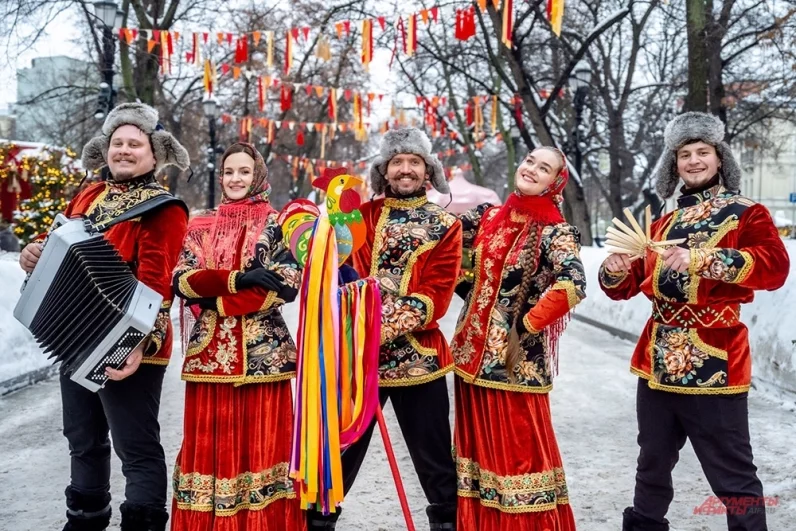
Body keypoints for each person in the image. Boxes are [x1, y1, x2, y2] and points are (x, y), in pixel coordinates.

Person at [599, 112, 789, 531]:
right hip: (657, 364)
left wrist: (704, 260)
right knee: (651, 463)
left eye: (703, 152)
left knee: (733, 474)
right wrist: (614, 269)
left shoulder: (747, 214)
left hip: (714, 361)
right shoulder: (663, 223)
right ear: (674, 164)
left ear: (720, 159)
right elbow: (629, 282)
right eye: (685, 154)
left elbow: (775, 268)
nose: (694, 161)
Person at [19, 103, 190, 531]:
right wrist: (33, 251)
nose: (125, 151)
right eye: (118, 143)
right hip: (74, 334)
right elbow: (58, 236)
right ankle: (84, 521)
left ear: (154, 154)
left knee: (135, 444)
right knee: (83, 440)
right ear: (106, 149)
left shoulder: (164, 208)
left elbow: (156, 281)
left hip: (133, 345)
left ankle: (143, 522)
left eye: (135, 144)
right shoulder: (88, 193)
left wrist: (133, 343)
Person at [306, 128, 462, 531]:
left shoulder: (446, 224)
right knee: (339, 452)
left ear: (428, 170)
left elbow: (437, 294)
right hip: (357, 359)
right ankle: (320, 523)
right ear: (384, 170)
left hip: (419, 361)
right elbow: (340, 273)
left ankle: (446, 523)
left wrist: (380, 325)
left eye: (414, 162)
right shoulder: (362, 217)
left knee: (435, 462)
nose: (405, 169)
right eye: (397, 162)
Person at [170, 142, 305, 531]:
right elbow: (182, 279)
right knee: (210, 449)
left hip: (264, 357)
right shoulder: (200, 224)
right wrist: (238, 279)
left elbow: (286, 284)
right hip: (209, 356)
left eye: (244, 172)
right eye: (229, 171)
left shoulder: (280, 223)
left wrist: (217, 299)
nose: (235, 179)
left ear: (258, 176)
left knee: (263, 447)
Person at [451, 147, 584, 530]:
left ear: (553, 182)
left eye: (544, 168)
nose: (532, 170)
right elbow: (451, 256)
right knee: (478, 464)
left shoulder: (555, 231)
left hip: (515, 367)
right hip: (469, 361)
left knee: (519, 462)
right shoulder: (488, 217)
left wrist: (523, 327)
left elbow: (573, 284)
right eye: (530, 161)